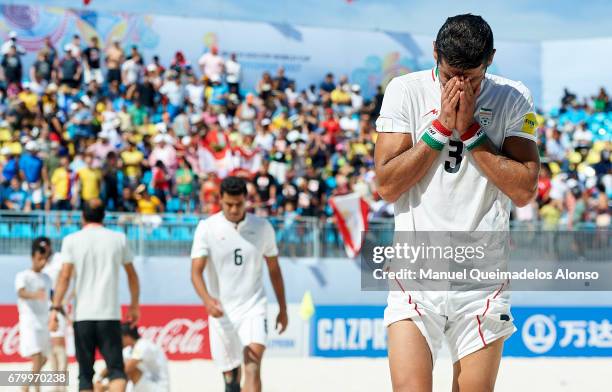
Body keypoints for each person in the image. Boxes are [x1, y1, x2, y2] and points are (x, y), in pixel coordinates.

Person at [374, 14, 539, 392]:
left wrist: (470, 132)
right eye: (450, 77)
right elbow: (386, 185)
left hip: (481, 280)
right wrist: (440, 130)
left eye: (474, 79)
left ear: (491, 59)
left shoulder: (513, 97)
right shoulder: (405, 90)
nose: (461, 88)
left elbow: (524, 189)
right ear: (434, 53)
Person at [190, 176, 288, 392]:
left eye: (239, 204)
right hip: (221, 312)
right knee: (231, 381)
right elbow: (196, 272)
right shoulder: (207, 228)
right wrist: (207, 300)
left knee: (253, 363)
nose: (234, 209)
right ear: (220, 200)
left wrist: (283, 308)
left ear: (246, 200)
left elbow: (274, 270)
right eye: (229, 204)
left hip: (254, 307)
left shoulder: (262, 227)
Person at [50, 199, 141, 392]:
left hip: (83, 315)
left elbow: (65, 277)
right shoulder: (118, 239)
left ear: (82, 217)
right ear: (104, 216)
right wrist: (134, 306)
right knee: (117, 371)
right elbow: (132, 276)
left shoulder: (71, 240)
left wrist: (55, 309)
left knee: (85, 376)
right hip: (109, 313)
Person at [15, 237, 53, 392]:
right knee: (37, 356)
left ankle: (25, 386)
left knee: (43, 358)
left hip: (43, 321)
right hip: (29, 321)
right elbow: (21, 292)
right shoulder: (23, 275)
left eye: (45, 259)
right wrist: (34, 295)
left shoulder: (47, 278)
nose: (43, 262)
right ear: (32, 257)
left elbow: (52, 298)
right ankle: (34, 389)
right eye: (40, 258)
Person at [94, 323, 169, 392]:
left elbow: (128, 368)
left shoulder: (143, 345)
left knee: (129, 370)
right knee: (120, 367)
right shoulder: (128, 349)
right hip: (143, 385)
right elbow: (113, 365)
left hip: (158, 387)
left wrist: (106, 386)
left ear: (127, 336)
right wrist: (98, 380)